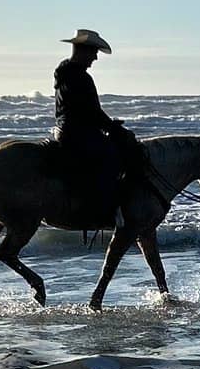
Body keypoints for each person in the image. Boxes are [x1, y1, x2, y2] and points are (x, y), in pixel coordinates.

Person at [52, 27, 148, 226]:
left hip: (66, 128)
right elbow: (90, 111)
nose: (95, 57)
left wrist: (110, 125)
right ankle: (104, 211)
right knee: (112, 157)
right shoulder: (80, 76)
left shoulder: (64, 69)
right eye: (93, 52)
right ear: (83, 50)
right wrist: (113, 127)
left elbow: (88, 110)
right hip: (76, 131)